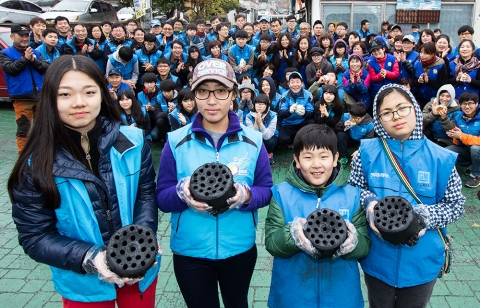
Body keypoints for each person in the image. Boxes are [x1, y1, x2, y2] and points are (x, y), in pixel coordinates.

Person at [8, 55, 160, 307]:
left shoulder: (133, 140)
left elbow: (145, 194)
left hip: (139, 273)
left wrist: (143, 238)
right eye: (65, 94)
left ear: (102, 94)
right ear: (49, 99)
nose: (79, 103)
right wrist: (91, 258)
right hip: (83, 284)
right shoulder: (36, 162)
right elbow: (35, 236)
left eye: (89, 92)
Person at [156, 58, 273, 308]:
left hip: (239, 248)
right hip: (190, 251)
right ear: (193, 95)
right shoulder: (176, 141)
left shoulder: (253, 140)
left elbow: (266, 190)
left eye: (220, 91)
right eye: (203, 91)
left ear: (233, 94)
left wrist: (246, 196)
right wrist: (181, 193)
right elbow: (162, 197)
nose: (211, 100)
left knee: (237, 303)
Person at [348, 84, 466, 308]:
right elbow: (354, 190)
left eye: (403, 108)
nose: (396, 117)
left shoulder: (441, 158)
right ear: (379, 119)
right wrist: (370, 203)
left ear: (415, 109)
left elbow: (456, 204)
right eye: (387, 113)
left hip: (422, 261)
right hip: (377, 258)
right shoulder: (365, 153)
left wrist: (423, 217)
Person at [265, 124, 370, 308]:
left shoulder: (353, 196)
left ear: (336, 158)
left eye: (324, 156)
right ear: (296, 160)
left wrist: (353, 241)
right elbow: (272, 243)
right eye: (307, 157)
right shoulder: (281, 194)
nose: (316, 164)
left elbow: (364, 246)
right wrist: (292, 234)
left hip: (341, 297)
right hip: (292, 296)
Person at [0, 24, 49, 153]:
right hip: (21, 98)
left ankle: (42, 152)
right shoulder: (5, 53)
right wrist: (25, 59)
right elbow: (10, 69)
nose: (24, 38)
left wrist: (33, 60)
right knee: (23, 128)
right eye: (21, 36)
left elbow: (46, 67)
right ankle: (23, 156)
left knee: (42, 127)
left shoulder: (36, 52)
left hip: (39, 96)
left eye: (26, 35)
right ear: (12, 37)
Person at [446, 92, 480, 188]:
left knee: (475, 148)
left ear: (476, 104)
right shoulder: (458, 118)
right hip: (467, 150)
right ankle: (470, 165)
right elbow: (457, 143)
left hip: (477, 150)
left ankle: (476, 175)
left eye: (470, 103)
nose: (467, 106)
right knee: (449, 150)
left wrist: (461, 136)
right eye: (464, 103)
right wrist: (455, 136)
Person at [278, 72, 315, 146]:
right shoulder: (284, 96)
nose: (295, 85)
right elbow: (281, 114)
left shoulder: (308, 95)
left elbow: (311, 113)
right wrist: (289, 111)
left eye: (298, 82)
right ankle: (293, 140)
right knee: (283, 140)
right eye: (292, 82)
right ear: (288, 84)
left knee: (311, 123)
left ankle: (301, 139)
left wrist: (304, 113)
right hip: (288, 123)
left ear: (302, 83)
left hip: (302, 121)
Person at [413, 42, 448, 108]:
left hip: (435, 99)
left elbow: (443, 84)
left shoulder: (440, 64)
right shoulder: (417, 64)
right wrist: (418, 81)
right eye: (421, 52)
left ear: (432, 54)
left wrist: (429, 82)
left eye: (425, 53)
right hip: (420, 98)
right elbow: (413, 82)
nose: (422, 55)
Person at [245, 93, 278, 164]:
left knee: (270, 142)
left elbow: (267, 136)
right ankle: (257, 154)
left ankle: (269, 153)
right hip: (256, 137)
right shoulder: (249, 116)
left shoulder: (273, 115)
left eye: (263, 104)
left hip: (267, 138)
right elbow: (252, 136)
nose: (260, 106)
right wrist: (256, 124)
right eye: (257, 103)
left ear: (267, 106)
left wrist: (260, 123)